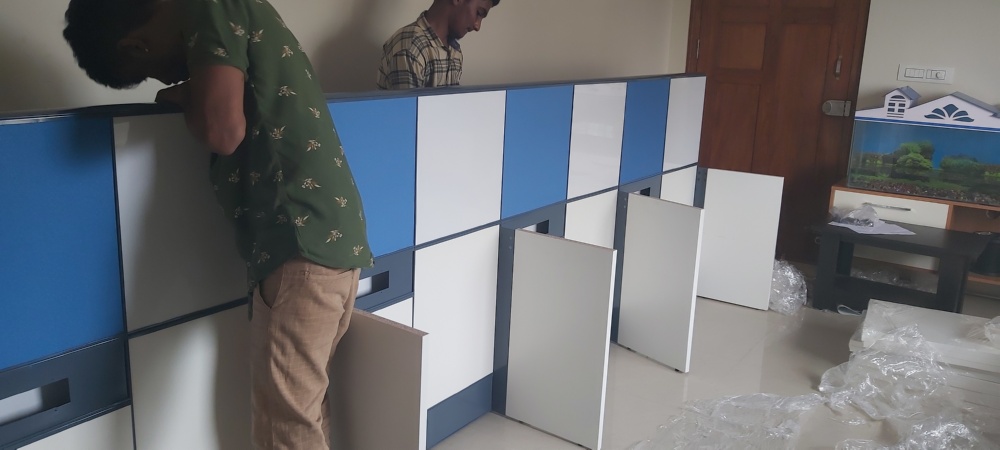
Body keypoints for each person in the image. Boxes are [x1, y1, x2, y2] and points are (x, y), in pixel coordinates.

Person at [63, 0, 373, 448]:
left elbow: (223, 131)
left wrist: (186, 97)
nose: (165, 79)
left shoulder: (208, 6)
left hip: (297, 241)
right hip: (327, 237)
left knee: (284, 424)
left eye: (149, 70)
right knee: (304, 412)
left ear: (136, 45)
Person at [376, 0, 499, 90]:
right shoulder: (410, 49)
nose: (477, 26)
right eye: (479, 13)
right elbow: (409, 115)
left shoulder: (455, 52)